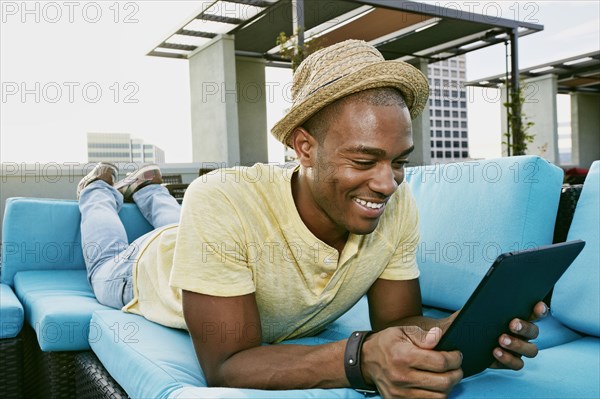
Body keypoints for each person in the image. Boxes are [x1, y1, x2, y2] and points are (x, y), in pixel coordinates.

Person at [77, 40, 547, 398]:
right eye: (364, 161)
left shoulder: (396, 205)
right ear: (304, 148)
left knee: (173, 220)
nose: (388, 183)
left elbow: (398, 320)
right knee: (106, 256)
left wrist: (469, 328)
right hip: (140, 272)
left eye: (399, 161)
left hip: (198, 241)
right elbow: (227, 364)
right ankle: (96, 190)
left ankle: (148, 188)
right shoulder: (221, 198)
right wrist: (359, 360)